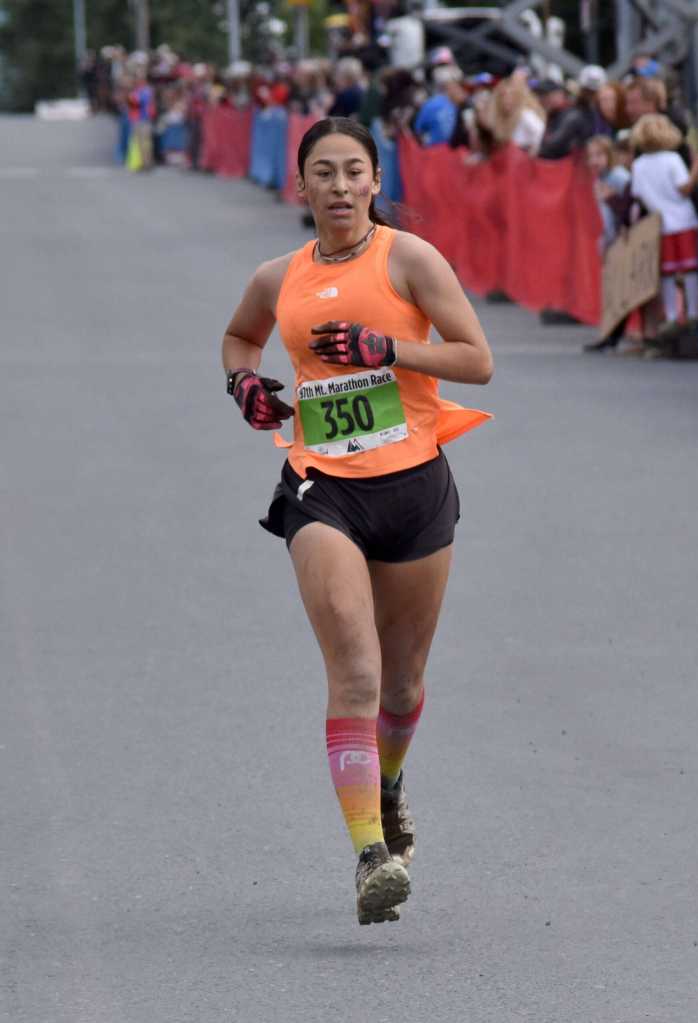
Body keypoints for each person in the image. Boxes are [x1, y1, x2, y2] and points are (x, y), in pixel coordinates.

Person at [221, 117, 493, 925]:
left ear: (376, 182)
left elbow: (475, 358)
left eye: (353, 172)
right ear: (298, 187)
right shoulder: (278, 276)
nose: (338, 187)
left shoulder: (409, 258)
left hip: (412, 485)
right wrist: (243, 385)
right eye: (322, 174)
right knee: (357, 670)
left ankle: (391, 782)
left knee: (403, 685)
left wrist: (387, 348)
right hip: (321, 486)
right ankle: (371, 855)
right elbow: (240, 339)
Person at [630, 113, 698, 343]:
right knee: (690, 269)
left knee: (668, 272)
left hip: (662, 224)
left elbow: (638, 195)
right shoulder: (672, 159)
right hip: (683, 221)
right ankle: (693, 312)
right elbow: (684, 188)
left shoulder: (638, 165)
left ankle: (673, 314)